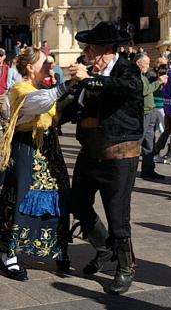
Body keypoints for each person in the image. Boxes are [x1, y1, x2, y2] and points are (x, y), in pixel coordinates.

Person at [66, 21, 143, 295]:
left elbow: (126, 88)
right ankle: (104, 248)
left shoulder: (126, 69)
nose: (86, 52)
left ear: (108, 50)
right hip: (90, 151)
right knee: (78, 203)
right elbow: (74, 106)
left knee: (117, 213)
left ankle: (125, 266)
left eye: (92, 47)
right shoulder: (88, 75)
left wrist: (89, 79)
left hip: (120, 154)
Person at [0, 46, 71, 281]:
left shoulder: (42, 87)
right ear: (30, 68)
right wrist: (68, 86)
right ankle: (9, 257)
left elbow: (57, 107)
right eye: (45, 63)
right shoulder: (20, 89)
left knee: (58, 197)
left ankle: (56, 249)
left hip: (49, 150)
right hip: (27, 151)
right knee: (23, 199)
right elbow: (40, 103)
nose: (49, 67)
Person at [136, 53, 167, 179]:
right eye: (147, 63)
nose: (149, 66)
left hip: (151, 110)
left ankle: (148, 169)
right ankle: (129, 169)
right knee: (139, 140)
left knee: (150, 141)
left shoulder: (144, 74)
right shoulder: (138, 76)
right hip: (144, 112)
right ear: (139, 63)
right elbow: (144, 90)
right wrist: (158, 82)